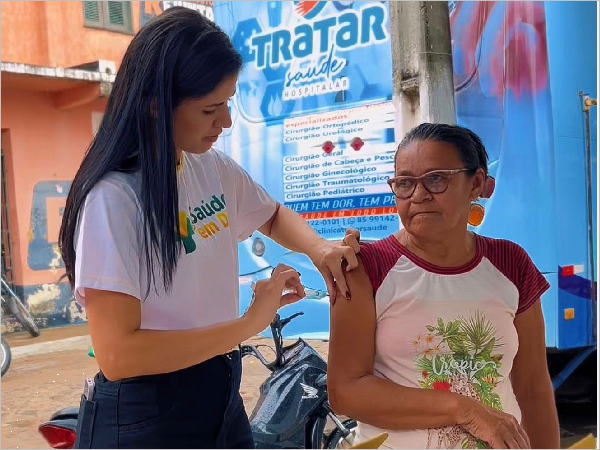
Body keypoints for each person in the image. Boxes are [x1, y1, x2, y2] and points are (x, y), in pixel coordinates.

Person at [58, 8, 360, 449]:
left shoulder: (210, 166)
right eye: (210, 109)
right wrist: (250, 322)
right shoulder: (115, 199)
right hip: (148, 417)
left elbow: (271, 214)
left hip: (218, 390)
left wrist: (319, 249)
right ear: (156, 105)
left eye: (228, 103)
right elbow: (120, 355)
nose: (226, 122)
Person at [328, 123, 560, 449]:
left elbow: (533, 388)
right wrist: (463, 409)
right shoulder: (364, 268)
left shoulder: (511, 263)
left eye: (436, 179)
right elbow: (346, 393)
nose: (418, 195)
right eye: (405, 183)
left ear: (475, 183)